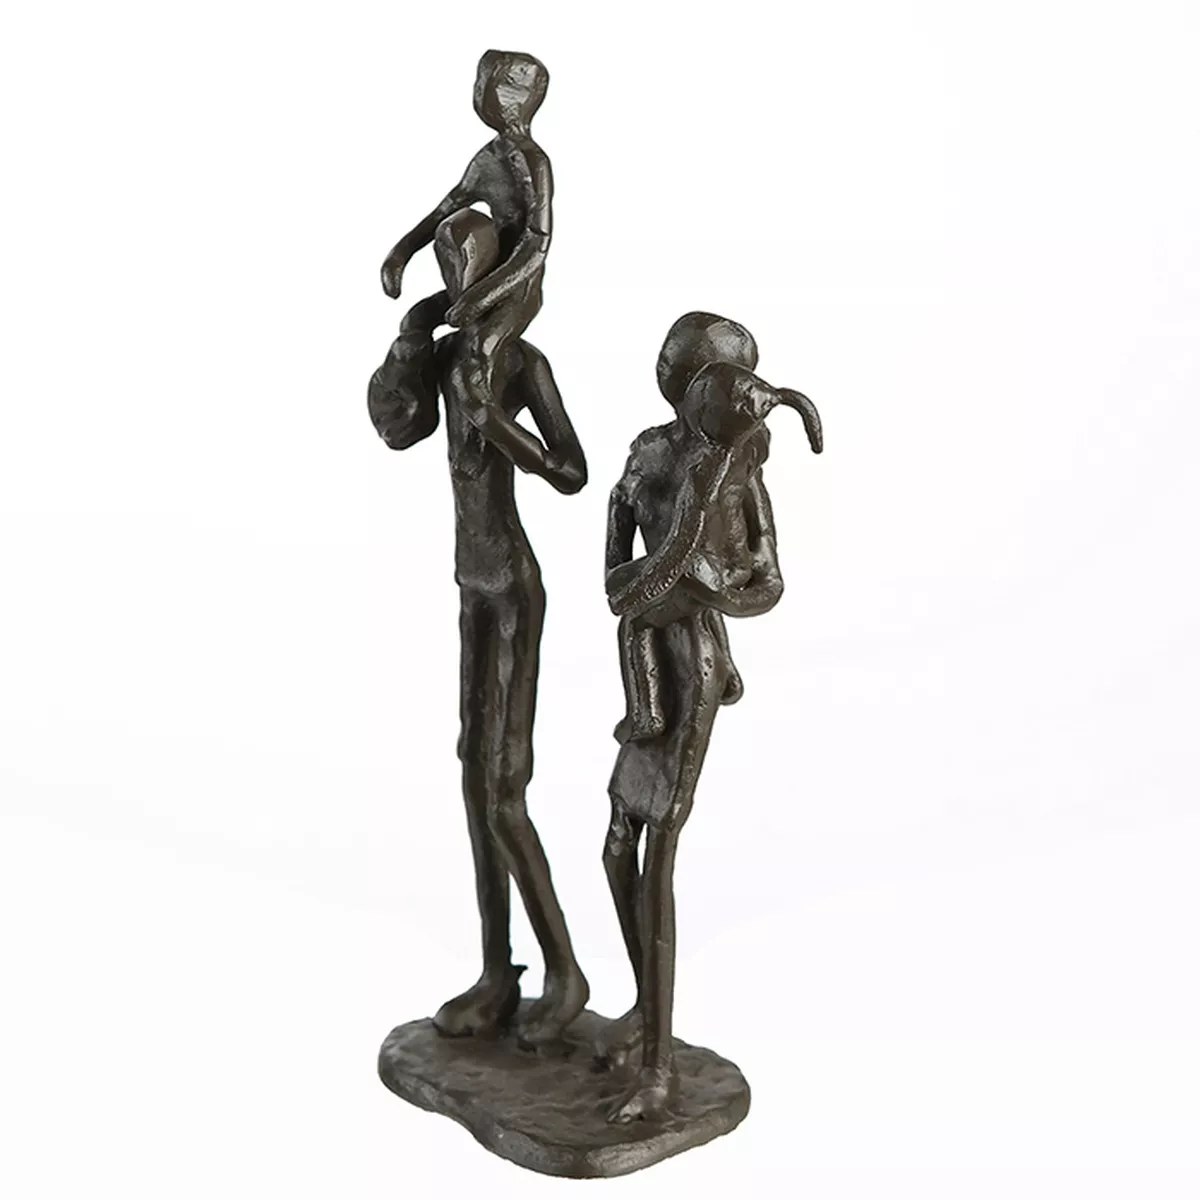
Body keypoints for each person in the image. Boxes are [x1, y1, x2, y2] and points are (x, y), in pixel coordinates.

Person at [369, 205, 589, 1047]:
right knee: (473, 776)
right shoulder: (449, 359)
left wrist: (499, 426)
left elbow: (572, 470)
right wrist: (409, 342)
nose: (461, 282)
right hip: (471, 584)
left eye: (471, 267)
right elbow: (397, 427)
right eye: (449, 268)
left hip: (513, 589)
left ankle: (566, 972)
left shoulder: (522, 365)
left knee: (503, 788)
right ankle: (499, 973)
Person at [598, 312, 820, 1121]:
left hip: (692, 665)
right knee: (616, 846)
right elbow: (615, 573)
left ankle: (658, 1065)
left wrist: (709, 590)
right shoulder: (648, 456)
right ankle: (643, 1012)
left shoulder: (741, 469)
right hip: (647, 659)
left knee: (657, 852)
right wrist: (650, 575)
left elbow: (767, 581)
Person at [379, 48, 554, 475]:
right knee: (416, 321)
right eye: (481, 82)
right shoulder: (487, 159)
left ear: (526, 97)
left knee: (477, 355)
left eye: (498, 84)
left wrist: (481, 299)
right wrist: (401, 254)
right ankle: (411, 411)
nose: (483, 93)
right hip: (476, 279)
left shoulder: (533, 163)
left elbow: (536, 245)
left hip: (516, 290)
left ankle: (485, 428)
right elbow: (446, 208)